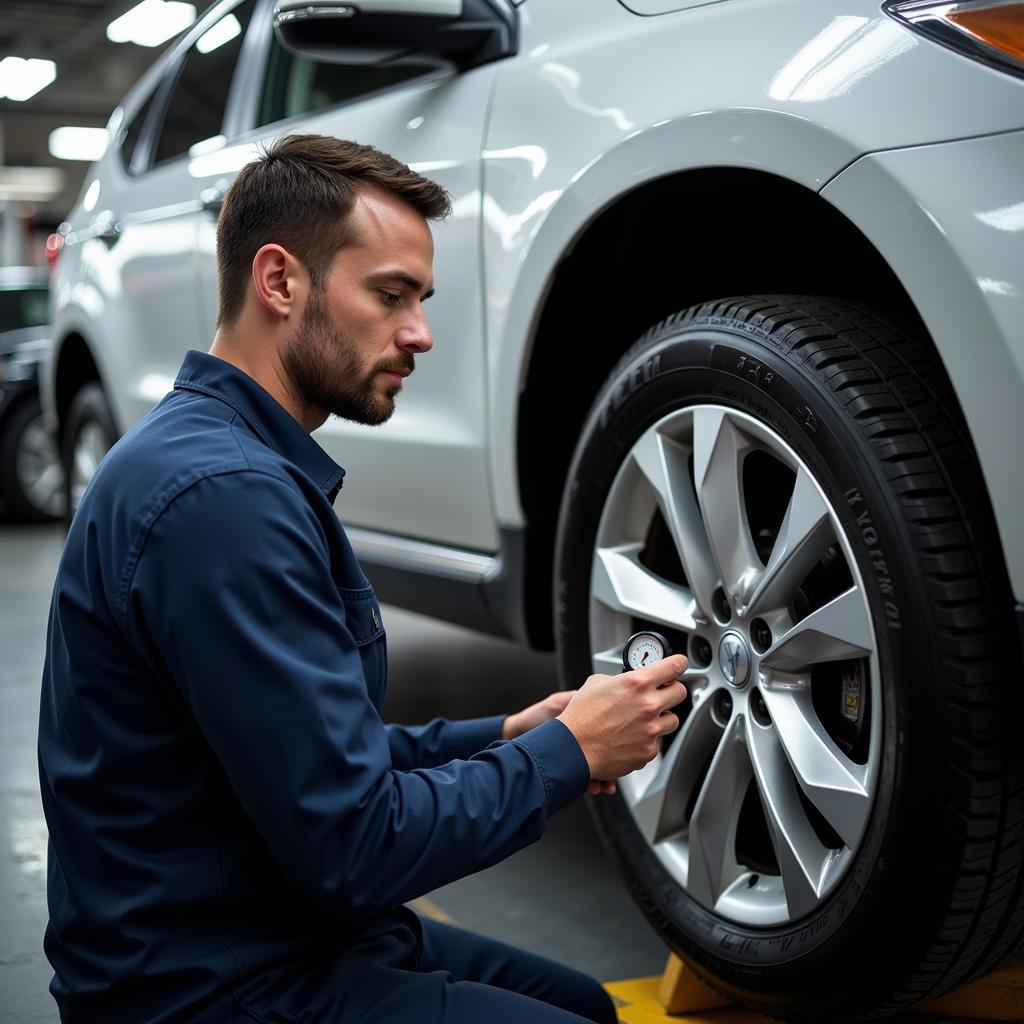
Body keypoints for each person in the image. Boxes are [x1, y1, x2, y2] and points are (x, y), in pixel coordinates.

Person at [38, 134, 687, 1024]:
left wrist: (504, 734)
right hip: (207, 984)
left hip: (280, 923)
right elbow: (355, 844)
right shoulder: (223, 500)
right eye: (390, 295)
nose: (419, 332)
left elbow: (309, 760)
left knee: (587, 1006)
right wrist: (569, 756)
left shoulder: (221, 458)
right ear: (279, 281)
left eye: (420, 299)